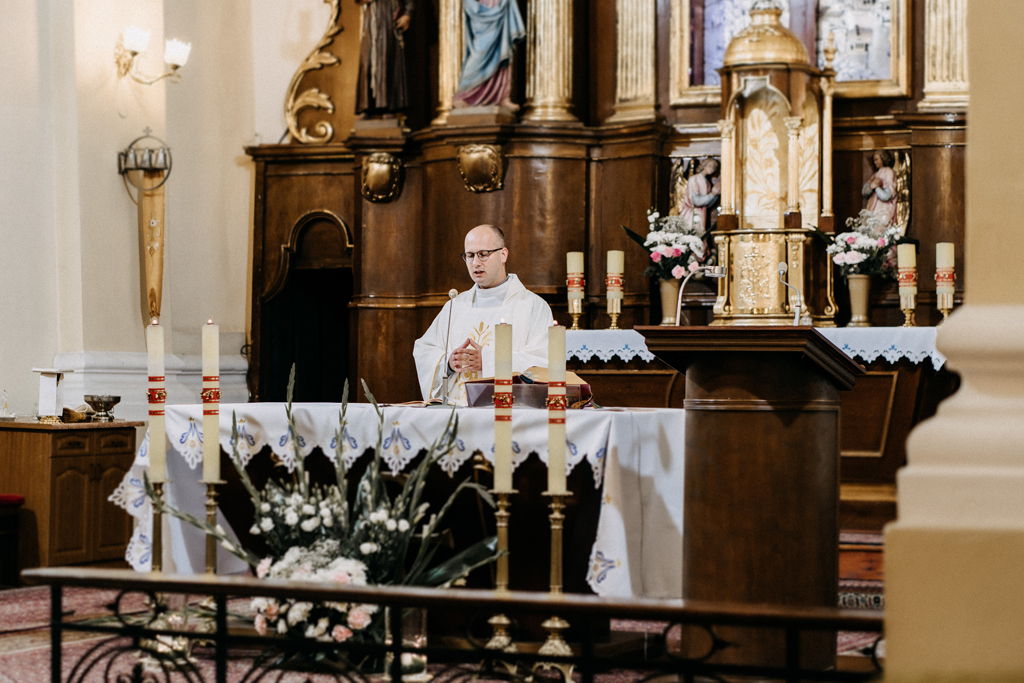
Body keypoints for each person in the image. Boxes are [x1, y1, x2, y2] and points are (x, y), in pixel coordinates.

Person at [413, 225, 553, 404]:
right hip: (456, 411)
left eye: (483, 254)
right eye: (469, 256)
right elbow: (425, 350)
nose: (475, 263)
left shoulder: (533, 306)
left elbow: (544, 363)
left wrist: (488, 360)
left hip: (508, 411)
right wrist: (448, 363)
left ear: (503, 254)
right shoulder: (455, 306)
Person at [453, 0, 526, 109]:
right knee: (478, 55)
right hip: (480, 12)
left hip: (500, 7)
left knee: (502, 51)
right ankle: (464, 95)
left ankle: (502, 97)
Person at [356, 0, 414, 117]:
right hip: (371, 19)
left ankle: (391, 107)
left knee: (389, 60)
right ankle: (368, 106)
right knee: (368, 63)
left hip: (389, 17)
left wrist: (407, 14)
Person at [677, 157, 721, 234]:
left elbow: (708, 204)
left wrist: (715, 195)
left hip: (702, 214)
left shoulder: (707, 182)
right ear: (704, 165)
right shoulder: (694, 179)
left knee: (700, 236)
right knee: (693, 237)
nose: (712, 168)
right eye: (710, 165)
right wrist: (713, 194)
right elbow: (696, 201)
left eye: (714, 167)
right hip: (692, 214)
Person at [862, 150, 897, 229]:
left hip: (884, 208)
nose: (875, 162)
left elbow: (887, 196)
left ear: (884, 159)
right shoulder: (876, 174)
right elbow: (864, 192)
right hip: (873, 208)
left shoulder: (888, 172)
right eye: (874, 160)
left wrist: (876, 187)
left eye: (877, 159)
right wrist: (871, 186)